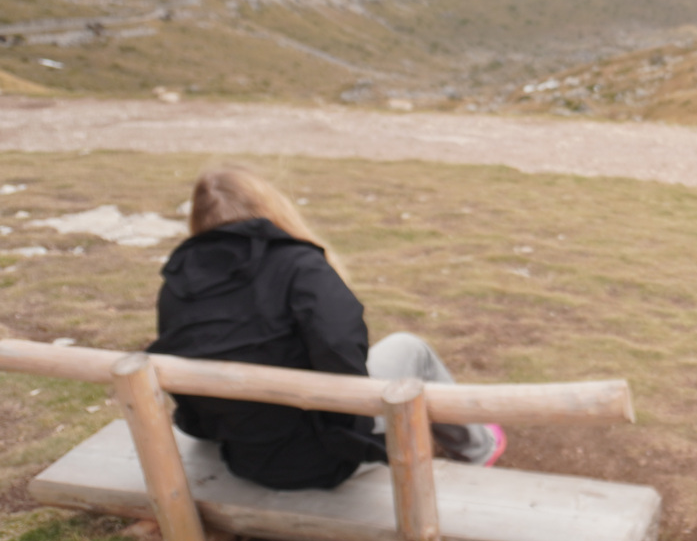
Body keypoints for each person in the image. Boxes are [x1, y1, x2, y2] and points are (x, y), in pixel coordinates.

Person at [148, 166, 505, 490]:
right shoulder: (299, 264)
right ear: (270, 207)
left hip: (243, 454)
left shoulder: (178, 282)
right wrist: (355, 432)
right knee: (411, 349)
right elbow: (341, 349)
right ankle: (478, 449)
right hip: (325, 456)